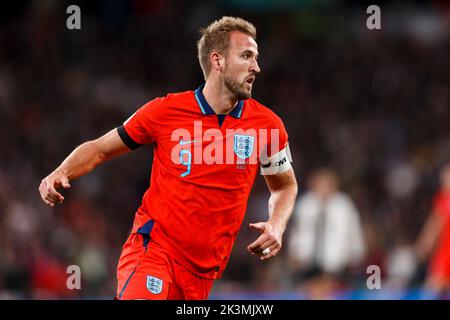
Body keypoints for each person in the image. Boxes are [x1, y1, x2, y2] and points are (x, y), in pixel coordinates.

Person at [38, 16, 298, 300]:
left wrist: (277, 223)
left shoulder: (268, 126)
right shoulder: (165, 112)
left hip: (203, 275)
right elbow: (100, 148)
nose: (256, 67)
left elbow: (284, 185)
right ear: (218, 60)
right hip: (154, 250)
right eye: (246, 56)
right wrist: (61, 171)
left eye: (256, 58)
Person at [287, 168, 365, 295]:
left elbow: (353, 231)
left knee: (331, 290)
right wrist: (294, 252)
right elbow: (297, 231)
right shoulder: (305, 204)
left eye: (327, 184)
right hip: (308, 259)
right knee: (311, 291)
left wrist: (355, 254)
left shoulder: (343, 205)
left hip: (335, 260)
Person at [414, 163, 450, 295]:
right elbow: (435, 223)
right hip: (445, 252)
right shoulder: (444, 199)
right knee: (433, 287)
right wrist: (425, 242)